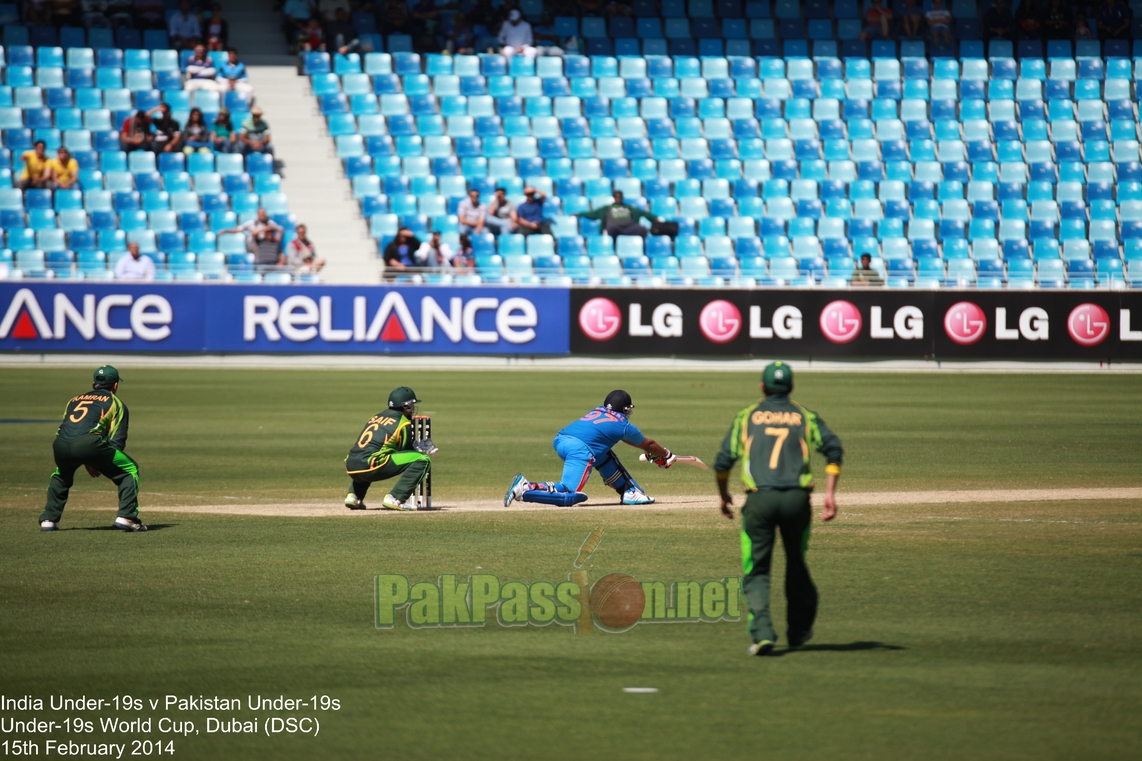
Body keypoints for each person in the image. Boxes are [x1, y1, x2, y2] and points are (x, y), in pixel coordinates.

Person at [713, 361, 843, 656]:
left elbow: (723, 462)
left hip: (759, 500)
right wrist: (830, 495)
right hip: (797, 500)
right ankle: (798, 630)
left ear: (762, 387)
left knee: (756, 570)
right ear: (792, 387)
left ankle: (763, 634)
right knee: (797, 564)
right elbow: (833, 448)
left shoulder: (747, 416)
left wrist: (723, 496)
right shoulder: (804, 416)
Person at [504, 390, 676, 508]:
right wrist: (666, 455)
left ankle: (629, 492)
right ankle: (525, 490)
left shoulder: (598, 411)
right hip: (580, 449)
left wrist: (654, 454)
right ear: (625, 409)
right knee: (569, 494)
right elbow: (648, 444)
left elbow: (626, 440)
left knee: (603, 454)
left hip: (561, 440)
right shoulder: (622, 423)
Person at [39, 366, 148, 533]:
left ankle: (48, 519)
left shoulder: (74, 400)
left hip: (60, 443)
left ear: (93, 383)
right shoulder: (116, 403)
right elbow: (118, 441)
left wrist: (89, 459)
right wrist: (97, 462)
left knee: (61, 475)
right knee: (130, 470)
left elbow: (72, 429)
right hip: (88, 444)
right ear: (115, 385)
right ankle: (127, 516)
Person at [343, 386, 434, 512]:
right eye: (412, 405)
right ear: (405, 406)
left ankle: (353, 496)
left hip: (351, 464)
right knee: (423, 460)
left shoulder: (375, 417)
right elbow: (403, 451)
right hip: (372, 464)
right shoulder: (403, 422)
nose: (413, 408)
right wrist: (419, 450)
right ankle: (396, 498)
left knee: (369, 457)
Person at [575, 190, 658, 238]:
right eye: (616, 197)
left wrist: (654, 218)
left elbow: (642, 213)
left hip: (629, 227)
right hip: (615, 228)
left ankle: (641, 247)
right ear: (614, 197)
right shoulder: (606, 208)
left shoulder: (628, 207)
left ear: (622, 198)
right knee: (610, 228)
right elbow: (593, 214)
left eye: (620, 197)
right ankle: (613, 247)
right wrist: (580, 214)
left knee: (642, 229)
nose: (618, 198)